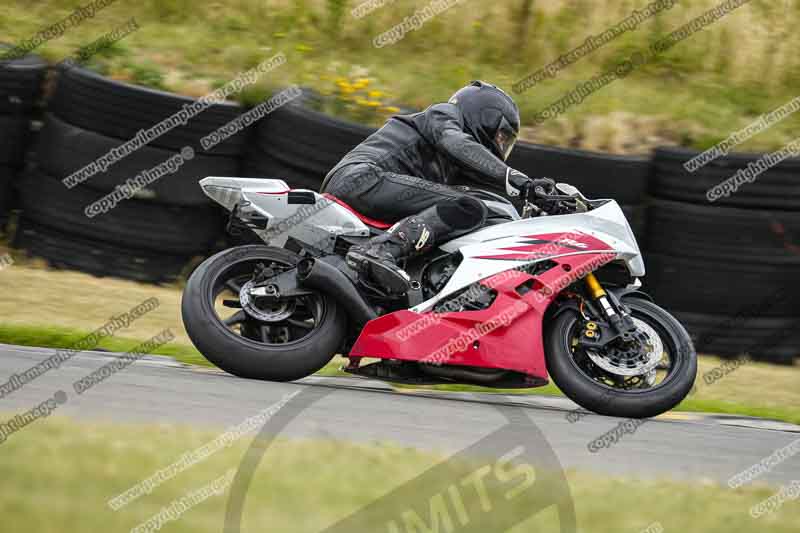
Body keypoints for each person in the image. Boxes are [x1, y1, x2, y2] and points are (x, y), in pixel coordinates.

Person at [320, 80, 553, 294]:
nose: (502, 146)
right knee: (467, 206)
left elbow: (487, 190)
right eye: (502, 137)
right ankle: (378, 251)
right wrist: (522, 183)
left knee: (472, 207)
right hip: (362, 178)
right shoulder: (444, 115)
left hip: (364, 185)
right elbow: (457, 144)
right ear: (485, 115)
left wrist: (544, 201)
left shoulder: (451, 163)